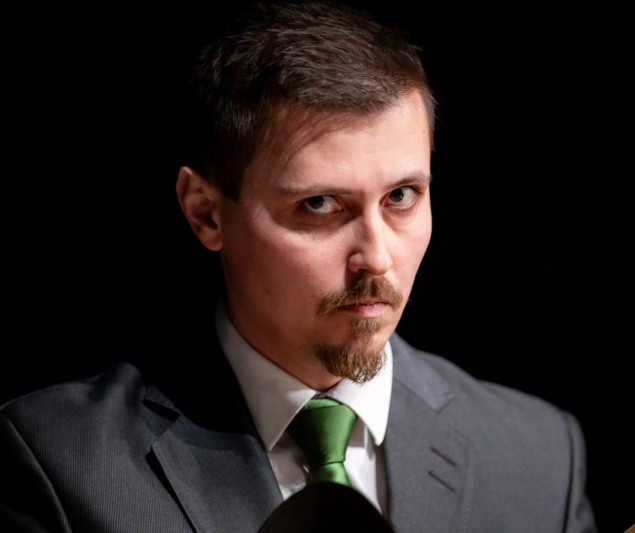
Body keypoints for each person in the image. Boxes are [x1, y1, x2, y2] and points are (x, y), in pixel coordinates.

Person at [0, 1, 596, 531]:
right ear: (205, 213)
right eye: (319, 204)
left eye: (401, 196)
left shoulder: (540, 458)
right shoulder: (59, 462)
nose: (376, 257)